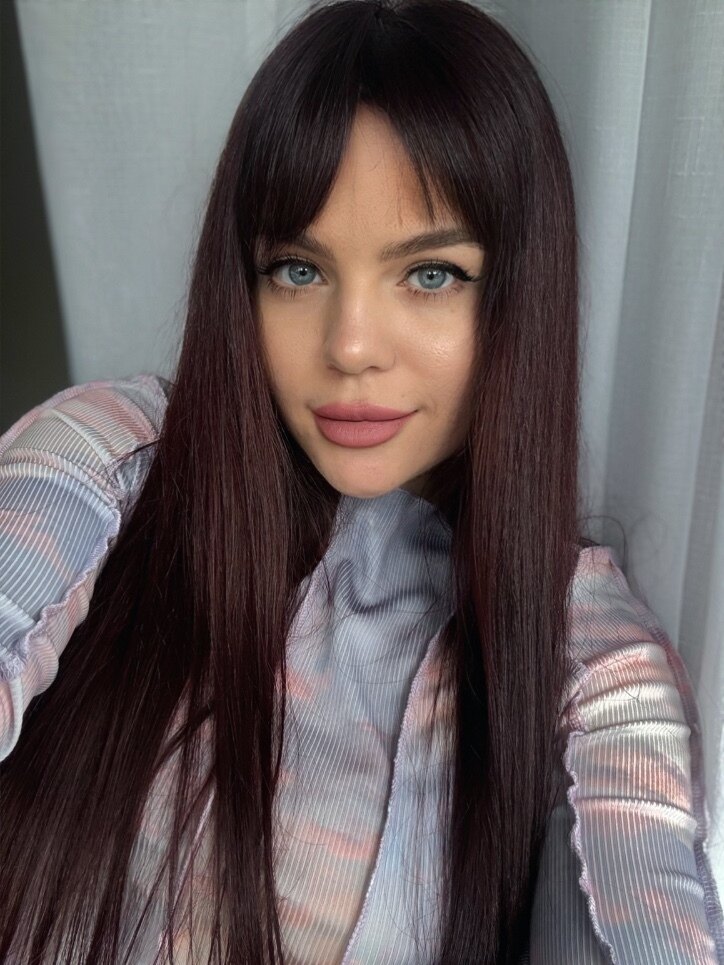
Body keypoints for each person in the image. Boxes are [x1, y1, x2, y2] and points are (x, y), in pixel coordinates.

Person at [1, 0, 722, 962]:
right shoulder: (114, 460)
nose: (349, 346)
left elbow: (644, 916)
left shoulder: (587, 659)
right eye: (298, 270)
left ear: (520, 295)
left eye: (430, 275)